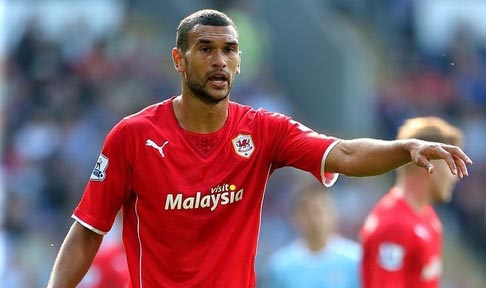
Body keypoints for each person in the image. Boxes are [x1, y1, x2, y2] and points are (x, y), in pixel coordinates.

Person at [47, 9, 472, 288]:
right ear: (179, 60)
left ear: (239, 61)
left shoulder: (264, 130)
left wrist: (405, 147)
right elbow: (87, 233)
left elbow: (344, 154)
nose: (219, 61)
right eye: (206, 49)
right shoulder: (132, 136)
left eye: (229, 50)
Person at [359, 116, 465, 288]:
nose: (455, 177)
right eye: (451, 163)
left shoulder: (428, 217)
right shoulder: (394, 225)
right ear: (431, 162)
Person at [265, 181, 361, 288]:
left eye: (319, 211)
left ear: (333, 213)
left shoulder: (355, 260)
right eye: (306, 212)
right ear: (294, 217)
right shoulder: (280, 266)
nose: (314, 219)